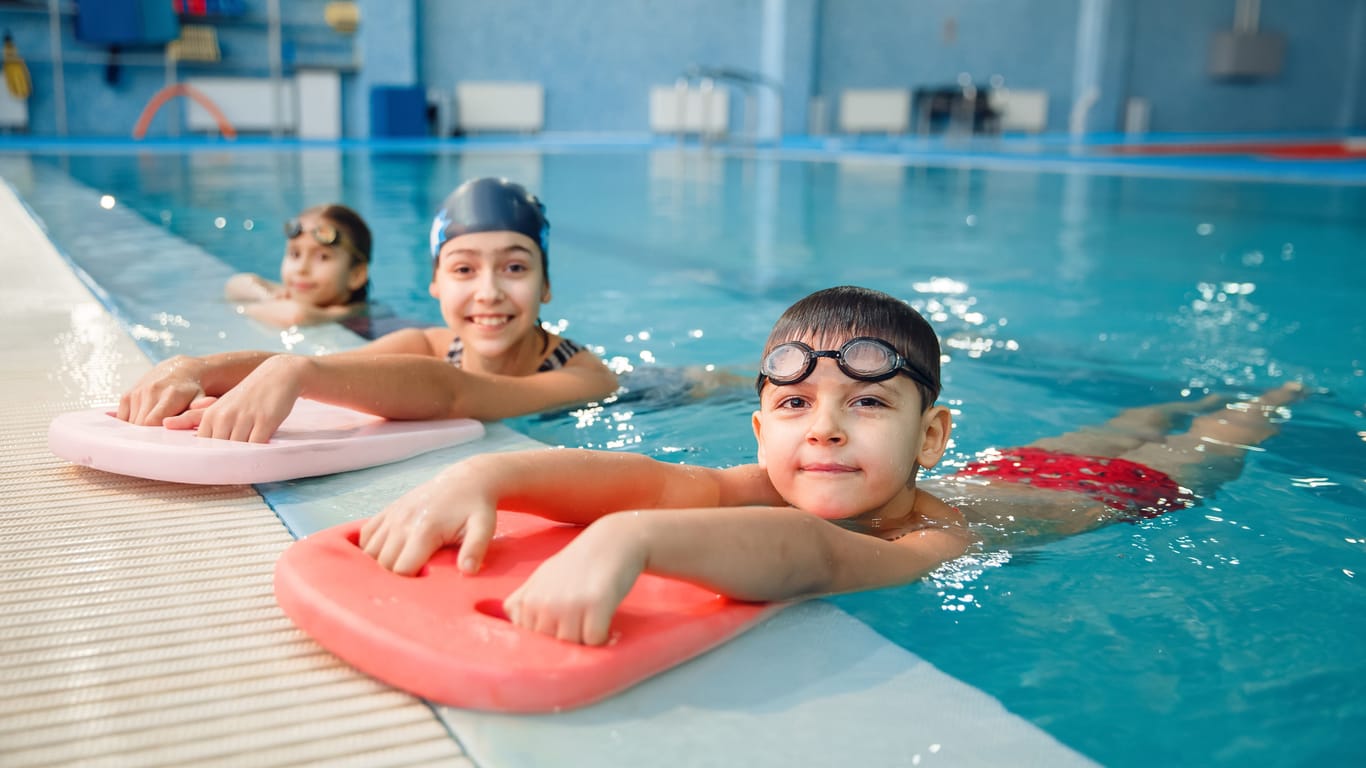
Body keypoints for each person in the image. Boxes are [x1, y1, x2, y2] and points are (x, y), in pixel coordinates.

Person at [358, 285, 1305, 646]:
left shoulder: (933, 531)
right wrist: (483, 478)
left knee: (1208, 440)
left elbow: (814, 558)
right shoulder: (768, 480)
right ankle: (1188, 396)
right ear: (760, 431)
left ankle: (1279, 396)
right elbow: (648, 480)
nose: (828, 431)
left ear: (929, 439)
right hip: (1023, 459)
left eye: (868, 405)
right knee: (1128, 418)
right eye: (797, 406)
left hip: (1128, 498)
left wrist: (635, 542)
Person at [119, 177, 618, 442]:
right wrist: (198, 370)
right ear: (435, 285)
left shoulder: (587, 379)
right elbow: (334, 373)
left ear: (546, 283)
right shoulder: (428, 344)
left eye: (514, 268)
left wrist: (297, 371)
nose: (488, 292)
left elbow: (454, 394)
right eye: (464, 270)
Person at [224, 203, 373, 328]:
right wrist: (268, 296)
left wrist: (245, 309)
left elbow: (296, 316)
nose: (302, 268)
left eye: (322, 257)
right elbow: (236, 284)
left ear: (356, 275)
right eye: (295, 254)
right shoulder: (292, 291)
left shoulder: (355, 313)